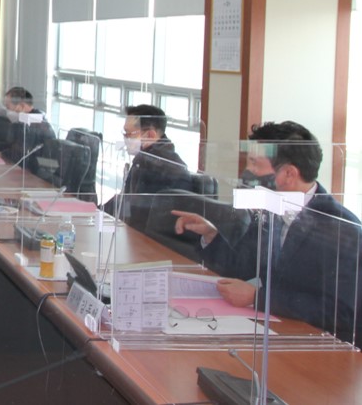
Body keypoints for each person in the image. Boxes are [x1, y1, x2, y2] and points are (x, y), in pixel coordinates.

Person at [173, 121, 361, 346]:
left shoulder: (342, 229)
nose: (247, 171)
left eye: (255, 163)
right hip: (272, 331)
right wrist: (211, 235)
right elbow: (243, 267)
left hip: (321, 346)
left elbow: (342, 312)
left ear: (289, 173)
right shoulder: (270, 208)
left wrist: (258, 298)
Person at [103, 104, 191, 222]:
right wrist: (97, 211)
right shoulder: (144, 160)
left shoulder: (162, 167)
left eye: (129, 134)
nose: (125, 138)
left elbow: (139, 212)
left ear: (150, 135)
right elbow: (125, 200)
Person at [0, 87, 55, 172]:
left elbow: (20, 155)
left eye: (8, 107)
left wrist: (0, 154)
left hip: (33, 171)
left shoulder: (34, 124)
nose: (7, 111)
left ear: (22, 106)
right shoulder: (27, 121)